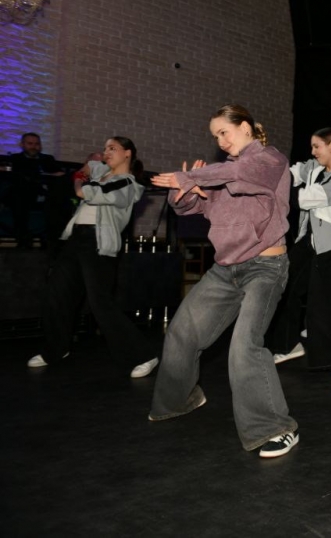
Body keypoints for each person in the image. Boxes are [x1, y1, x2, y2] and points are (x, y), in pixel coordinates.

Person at [148, 105, 299, 459]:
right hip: (225, 269)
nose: (220, 140)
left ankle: (275, 428)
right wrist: (185, 193)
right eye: (215, 136)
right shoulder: (220, 172)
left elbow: (239, 173)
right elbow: (194, 206)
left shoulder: (269, 160)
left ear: (245, 127)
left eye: (223, 132)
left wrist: (194, 178)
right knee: (182, 331)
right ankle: (181, 399)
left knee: (244, 346)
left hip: (265, 268)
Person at [26, 137, 159, 377]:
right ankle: (56, 349)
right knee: (57, 294)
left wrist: (79, 182)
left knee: (100, 303)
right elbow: (88, 166)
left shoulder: (128, 183)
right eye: (105, 148)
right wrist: (84, 171)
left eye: (113, 148)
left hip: (98, 241)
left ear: (127, 153)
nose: (106, 152)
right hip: (75, 238)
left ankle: (143, 355)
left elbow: (87, 193)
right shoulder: (102, 172)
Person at [271, 127, 331, 388]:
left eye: (317, 146)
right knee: (285, 285)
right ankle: (289, 345)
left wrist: (275, 190)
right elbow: (288, 173)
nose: (312, 152)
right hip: (310, 239)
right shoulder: (313, 167)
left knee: (321, 301)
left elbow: (307, 199)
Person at [8, 132, 66, 249]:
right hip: (23, 193)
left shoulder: (48, 159)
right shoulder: (15, 159)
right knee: (19, 196)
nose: (34, 147)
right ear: (22, 144)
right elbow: (18, 177)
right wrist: (44, 175)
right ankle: (23, 238)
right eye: (30, 144)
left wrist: (41, 176)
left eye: (36, 144)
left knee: (60, 199)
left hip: (46, 194)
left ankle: (52, 239)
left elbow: (60, 174)